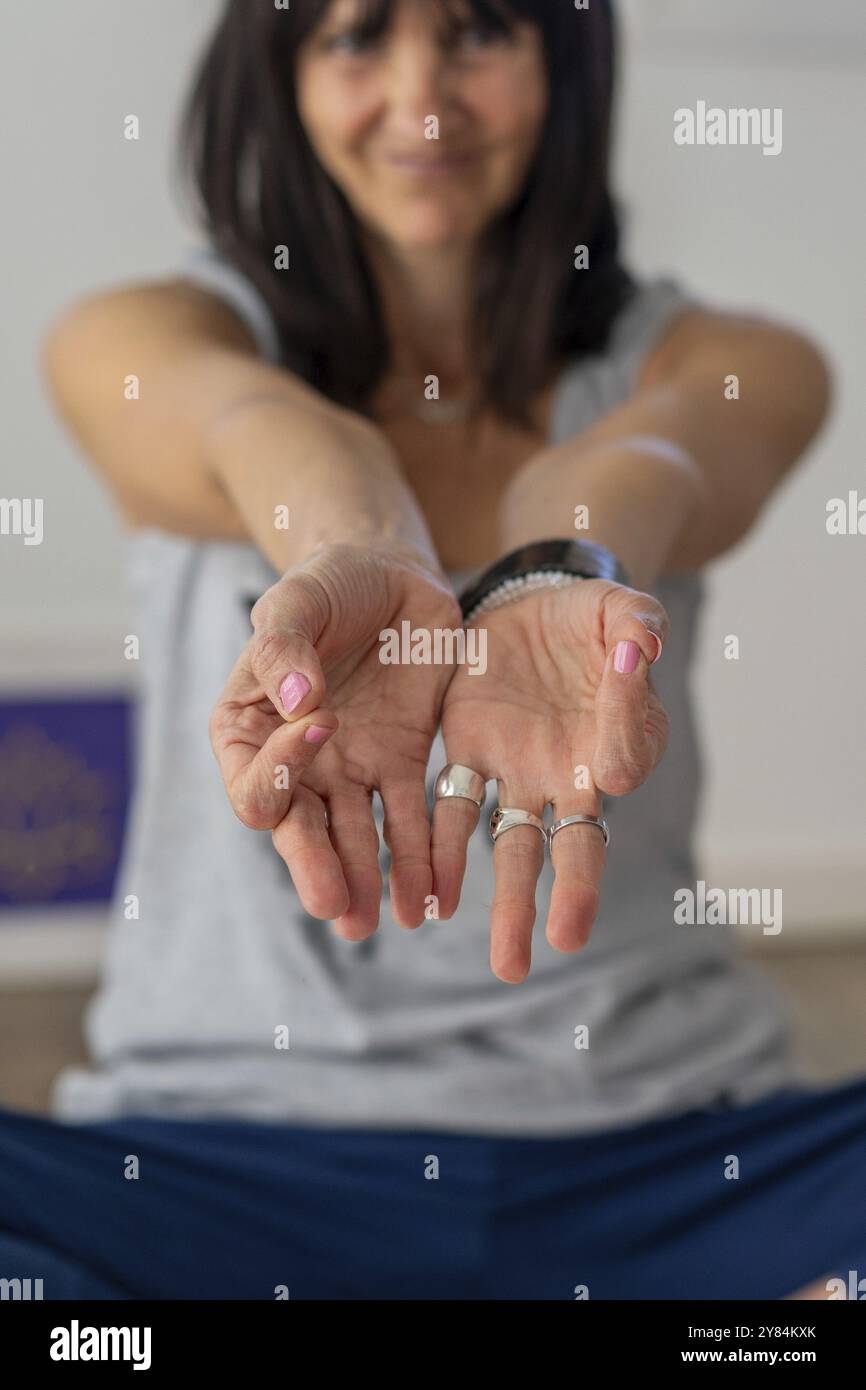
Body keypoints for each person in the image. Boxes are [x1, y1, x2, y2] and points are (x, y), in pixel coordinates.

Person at [7, 0, 861, 1301]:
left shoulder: (739, 362)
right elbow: (253, 424)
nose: (422, 94)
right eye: (355, 35)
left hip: (668, 1158)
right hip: (215, 1168)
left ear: (564, 65)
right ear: (280, 74)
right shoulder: (133, 343)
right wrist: (363, 555)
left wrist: (559, 566)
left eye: (479, 31)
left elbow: (649, 454)